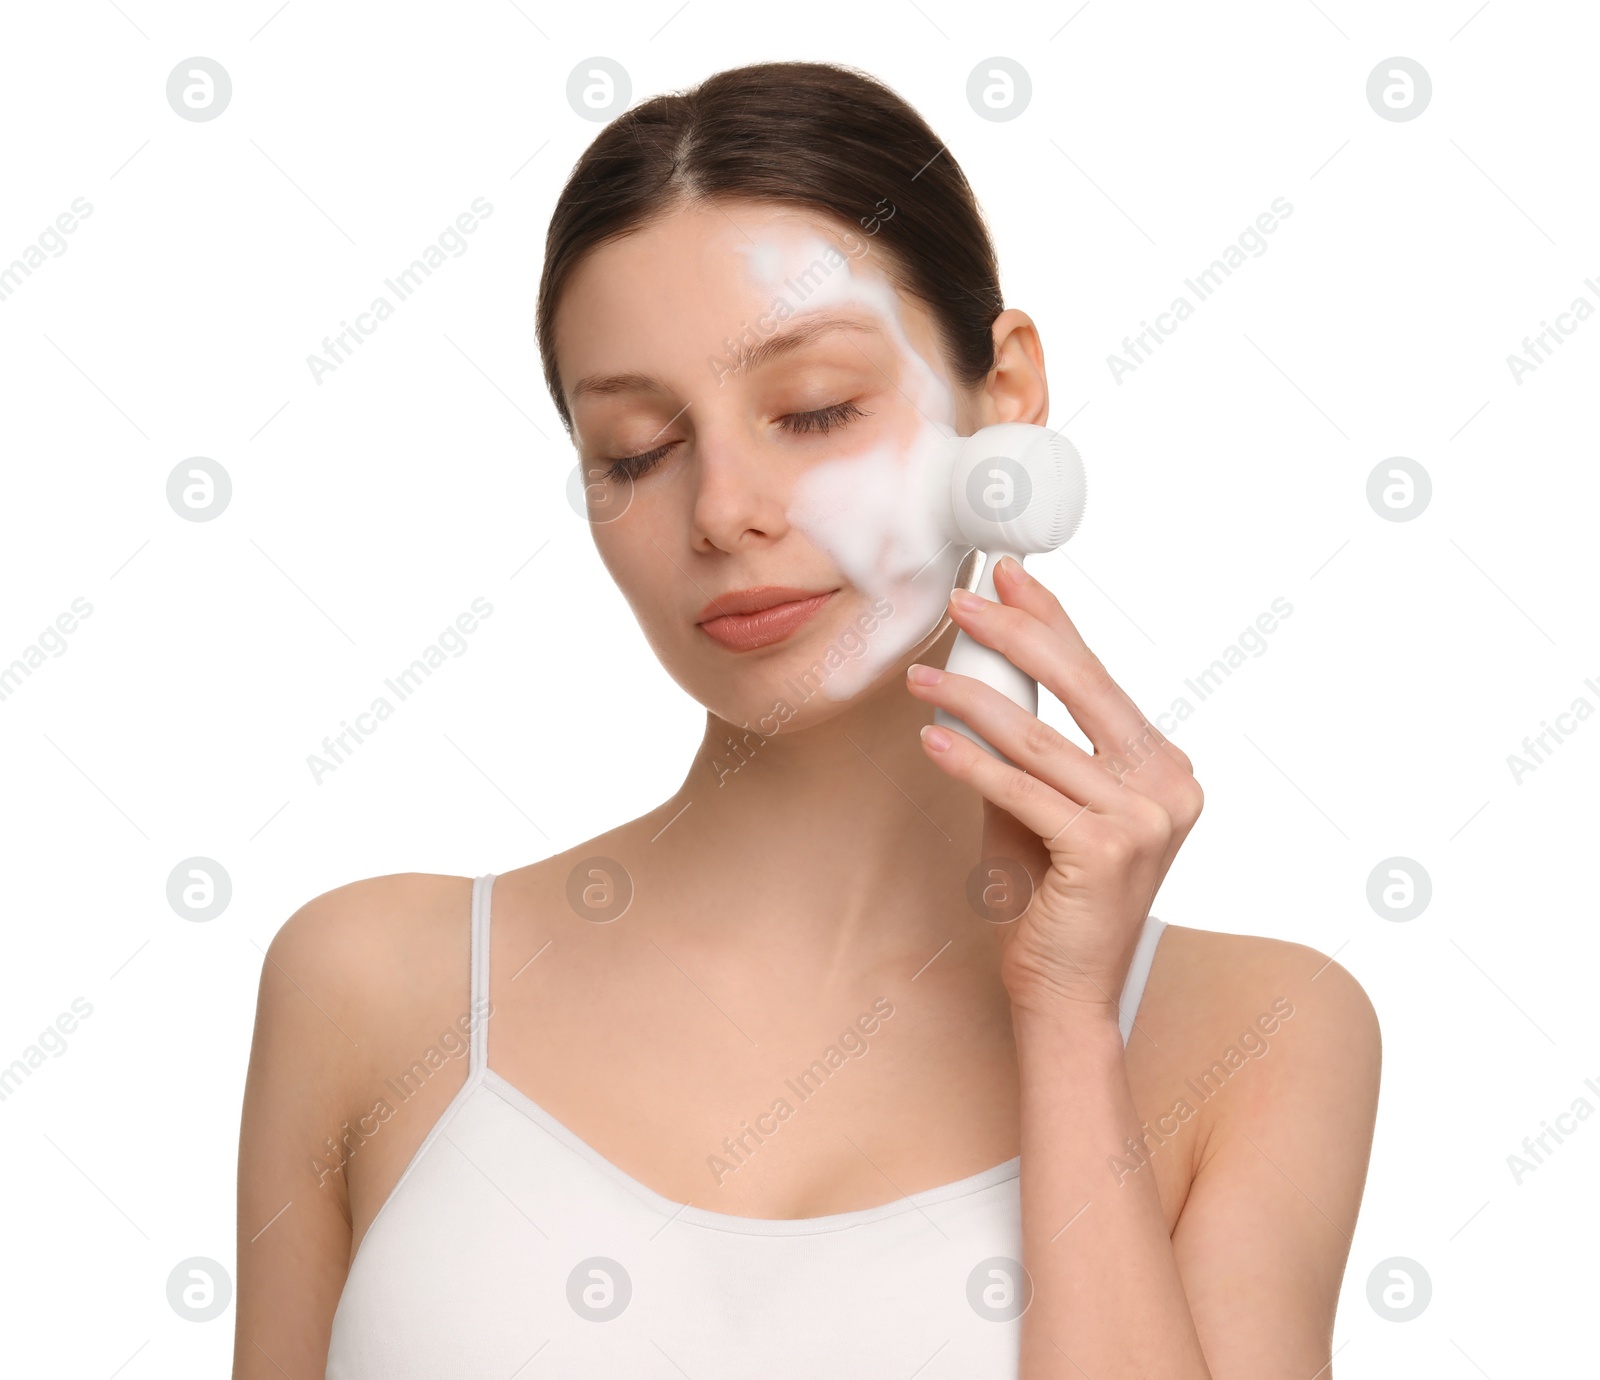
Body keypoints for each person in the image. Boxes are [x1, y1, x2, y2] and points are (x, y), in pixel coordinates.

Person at [234, 60, 1380, 1379]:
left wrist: (1065, 1020)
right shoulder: (372, 983)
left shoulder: (1262, 1031)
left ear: (1003, 396)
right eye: (638, 449)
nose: (723, 508)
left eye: (816, 410)